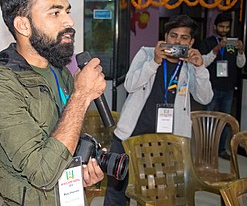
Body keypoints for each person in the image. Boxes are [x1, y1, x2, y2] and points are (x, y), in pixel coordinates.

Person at [0, 0, 106, 206]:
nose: (69, 21)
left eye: (67, 11)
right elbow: (43, 174)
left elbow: (65, 138)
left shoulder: (59, 70)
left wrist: (81, 170)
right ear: (23, 25)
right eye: (55, 13)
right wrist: (82, 94)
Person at [104, 15, 213, 206]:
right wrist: (154, 62)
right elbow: (130, 85)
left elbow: (205, 98)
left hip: (166, 141)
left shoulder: (190, 64)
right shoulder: (146, 54)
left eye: (184, 38)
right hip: (130, 134)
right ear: (165, 37)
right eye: (173, 35)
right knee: (116, 190)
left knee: (159, 192)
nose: (177, 41)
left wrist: (200, 68)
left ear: (191, 42)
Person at [199, 12, 245, 160]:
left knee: (226, 120)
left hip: (228, 88)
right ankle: (206, 149)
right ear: (215, 27)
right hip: (211, 87)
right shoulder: (207, 42)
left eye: (227, 27)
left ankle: (220, 149)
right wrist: (217, 48)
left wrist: (241, 51)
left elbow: (240, 64)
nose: (224, 29)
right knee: (208, 120)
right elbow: (203, 63)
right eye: (221, 26)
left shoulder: (234, 43)